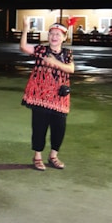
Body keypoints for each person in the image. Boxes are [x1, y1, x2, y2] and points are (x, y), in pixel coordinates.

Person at [20, 19, 74, 171]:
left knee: (59, 128)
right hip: (40, 96)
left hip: (59, 98)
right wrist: (25, 28)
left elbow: (71, 69)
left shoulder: (67, 53)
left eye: (58, 34)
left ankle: (53, 156)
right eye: (51, 34)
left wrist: (54, 62)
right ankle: (37, 156)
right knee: (39, 127)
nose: (54, 37)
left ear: (64, 37)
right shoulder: (41, 50)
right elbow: (23, 47)